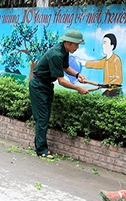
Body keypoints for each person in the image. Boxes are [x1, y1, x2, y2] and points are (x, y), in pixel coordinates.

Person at [29, 29, 90, 158]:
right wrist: (78, 88)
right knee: (42, 117)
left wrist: (78, 75)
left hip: (46, 85)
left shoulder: (64, 51)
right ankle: (41, 150)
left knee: (44, 116)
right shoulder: (56, 54)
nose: (78, 47)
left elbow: (65, 67)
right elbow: (61, 81)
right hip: (38, 86)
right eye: (77, 44)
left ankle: (39, 145)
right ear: (68, 43)